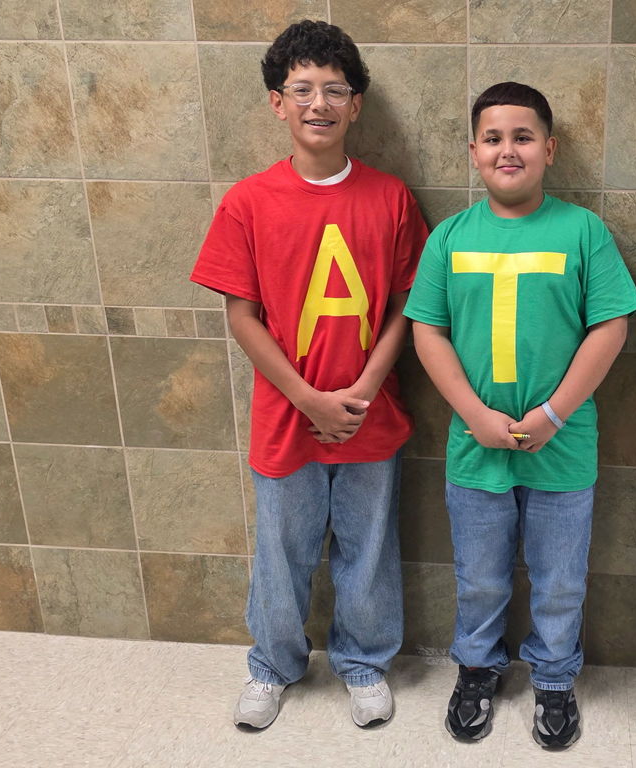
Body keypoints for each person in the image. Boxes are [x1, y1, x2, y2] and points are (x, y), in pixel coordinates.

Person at [190, 20, 428, 731]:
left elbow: (408, 306)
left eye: (334, 90)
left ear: (356, 105)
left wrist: (357, 392)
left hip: (368, 414)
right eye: (302, 90)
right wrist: (306, 398)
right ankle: (272, 664)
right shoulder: (248, 201)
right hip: (286, 415)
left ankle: (363, 662)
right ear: (277, 102)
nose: (317, 103)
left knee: (368, 545)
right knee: (282, 549)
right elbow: (241, 315)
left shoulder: (390, 199)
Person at [403, 81, 636, 749]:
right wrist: (475, 413)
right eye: (494, 138)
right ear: (473, 151)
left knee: (560, 577)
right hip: (475, 446)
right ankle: (477, 668)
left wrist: (554, 414)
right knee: (479, 574)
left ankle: (555, 676)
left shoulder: (582, 231)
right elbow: (428, 332)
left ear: (550, 148)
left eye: (524, 136)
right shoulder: (450, 238)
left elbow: (611, 328)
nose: (508, 149)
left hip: (562, 448)